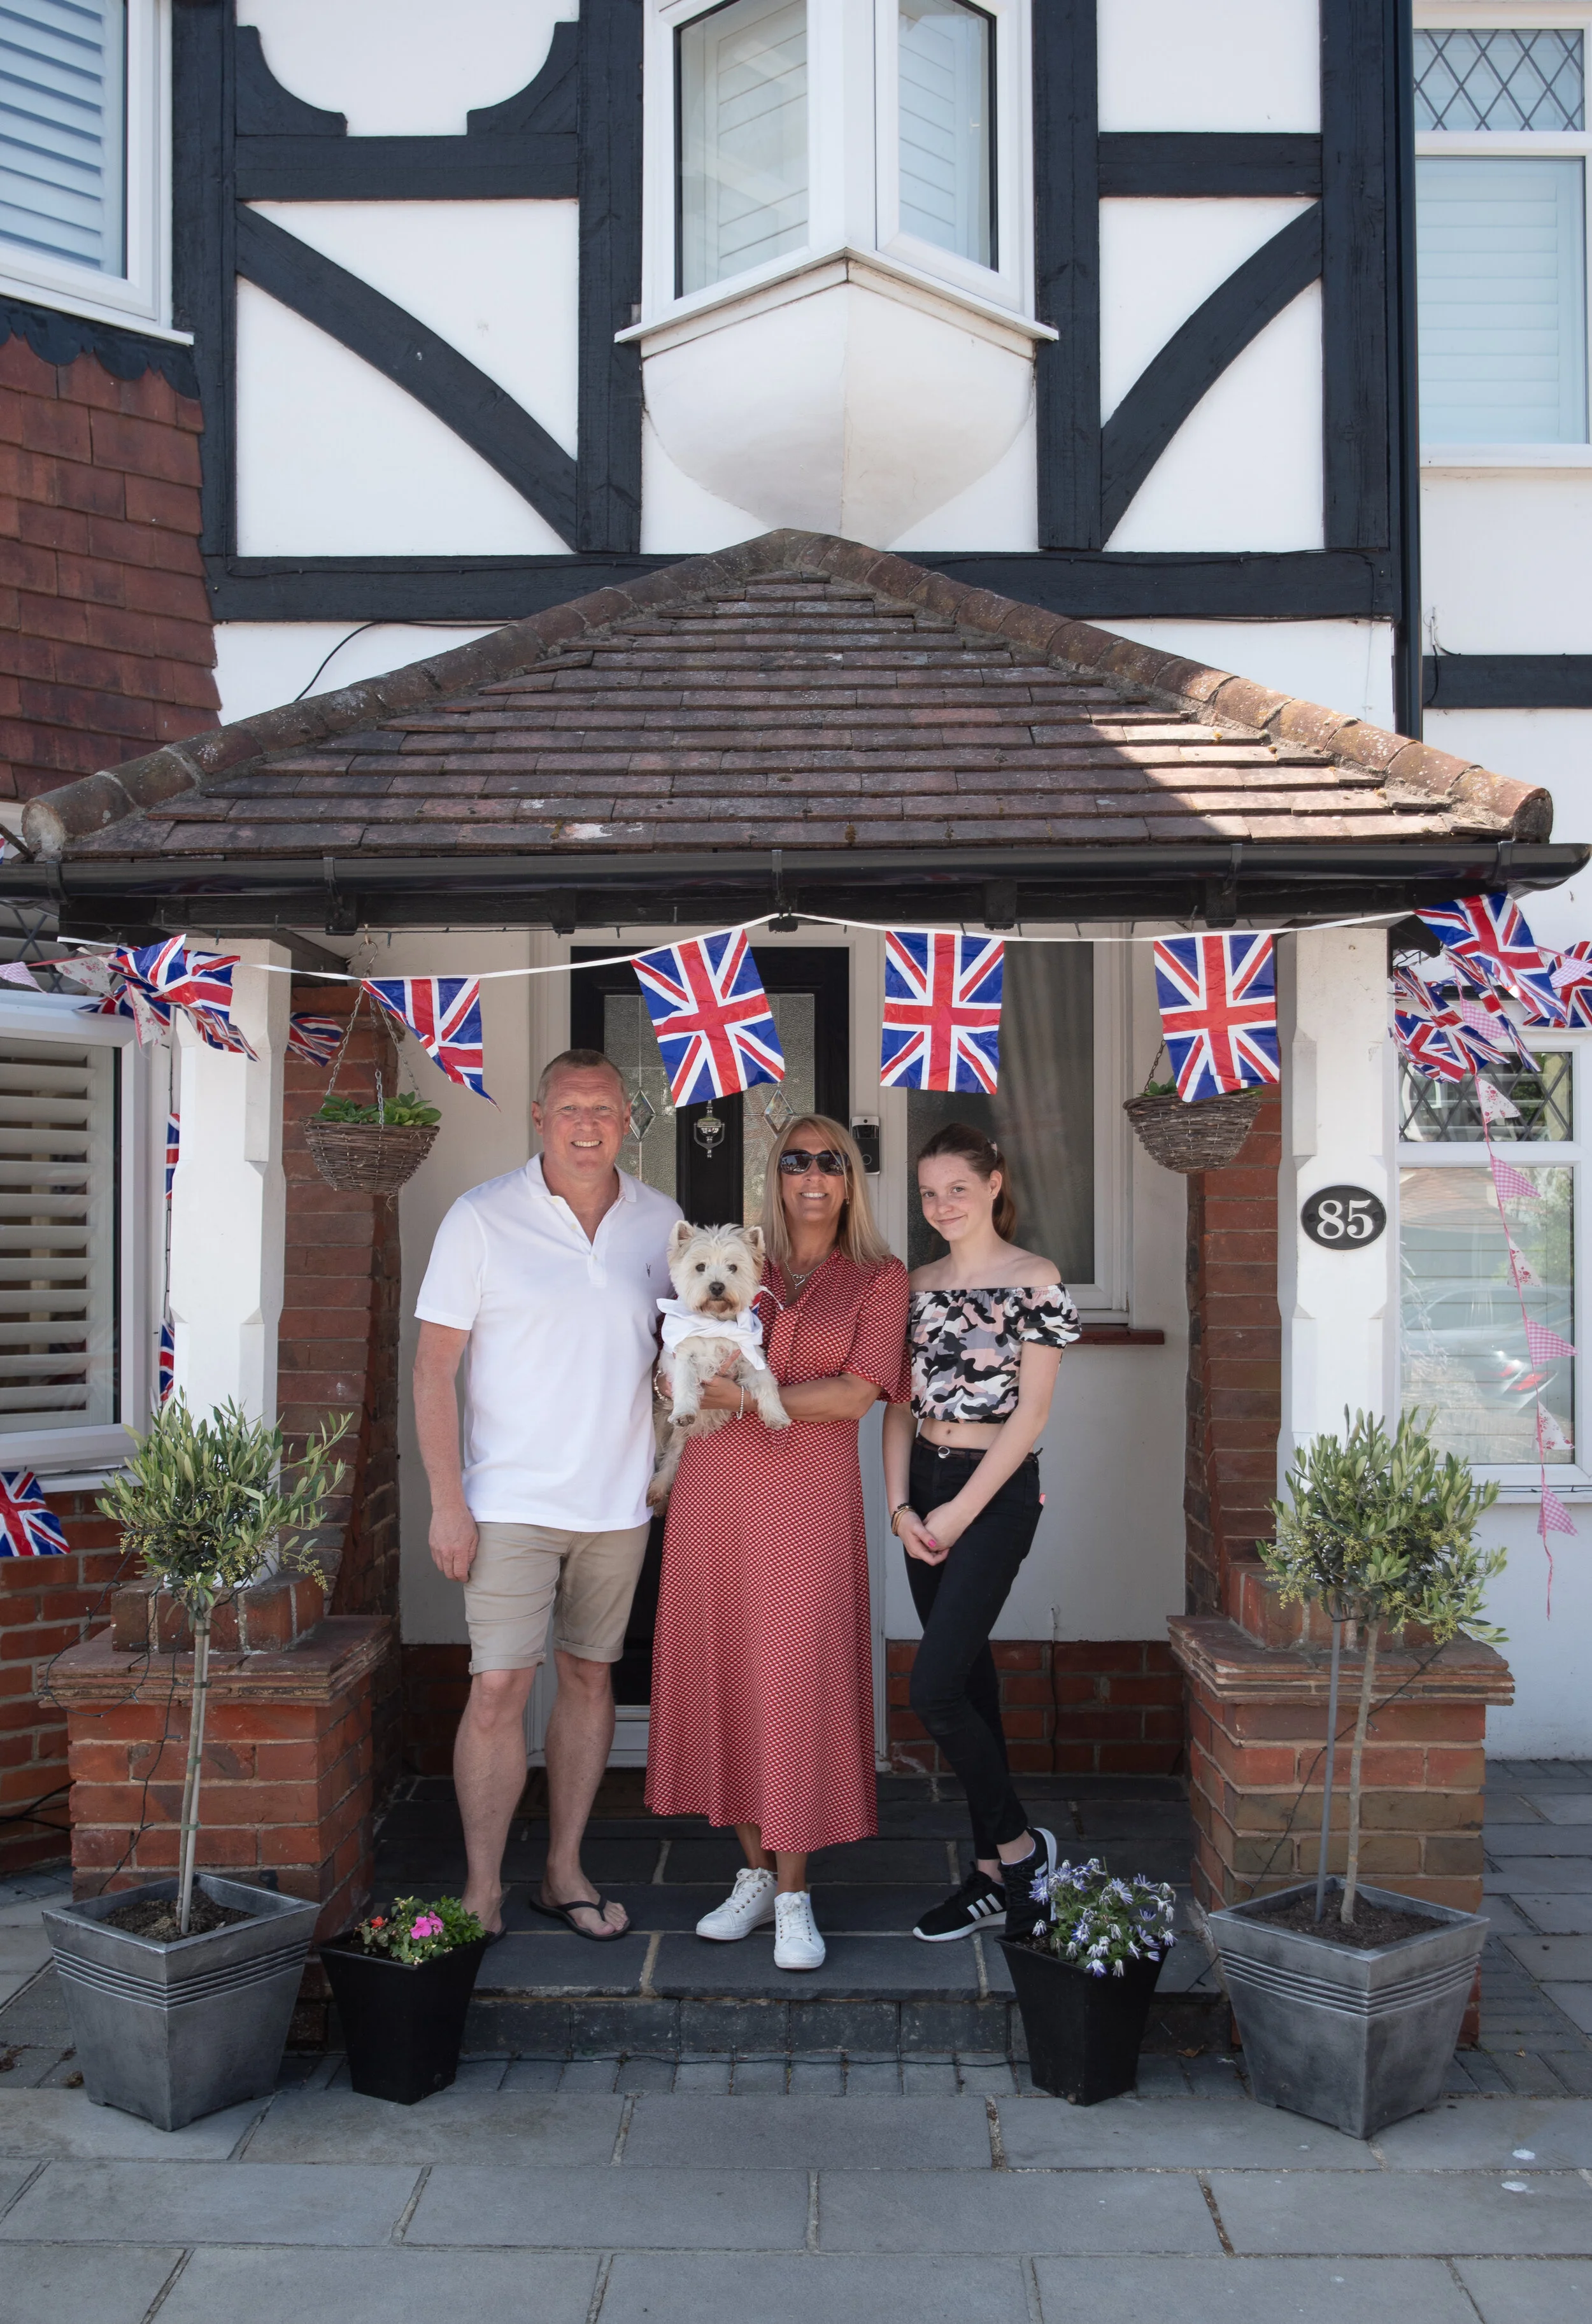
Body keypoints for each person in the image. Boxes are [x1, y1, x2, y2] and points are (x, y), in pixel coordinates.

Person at [413, 1049, 680, 1941]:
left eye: (604, 1108)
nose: (588, 1125)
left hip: (618, 1502)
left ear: (627, 1120)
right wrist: (448, 1502)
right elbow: (433, 1369)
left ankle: (562, 1870)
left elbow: (684, 1352)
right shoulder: (481, 1217)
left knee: (590, 1676)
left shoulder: (662, 1223)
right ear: (539, 1117)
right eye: (570, 1108)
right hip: (510, 1499)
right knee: (497, 1686)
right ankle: (483, 1887)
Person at [646, 1115, 908, 1971]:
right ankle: (754, 1874)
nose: (812, 1175)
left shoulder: (878, 1276)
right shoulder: (743, 1267)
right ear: (776, 1174)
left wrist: (732, 1390)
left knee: (795, 1681)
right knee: (730, 1674)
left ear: (850, 1178)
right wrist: (694, 1382)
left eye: (830, 1161)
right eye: (795, 1159)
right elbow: (670, 1361)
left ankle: (795, 1894)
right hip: (716, 1494)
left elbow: (855, 1397)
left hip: (810, 1503)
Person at [882, 1122, 1080, 1943]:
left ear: (994, 1185)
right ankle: (993, 1875)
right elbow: (898, 1404)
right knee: (967, 1682)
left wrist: (958, 1513)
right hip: (923, 1485)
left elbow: (1030, 1414)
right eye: (929, 1193)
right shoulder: (915, 1282)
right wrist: (900, 1508)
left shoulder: (1036, 1279)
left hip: (992, 1495)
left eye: (957, 1189)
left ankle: (1022, 1849)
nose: (941, 1205)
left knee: (931, 1689)